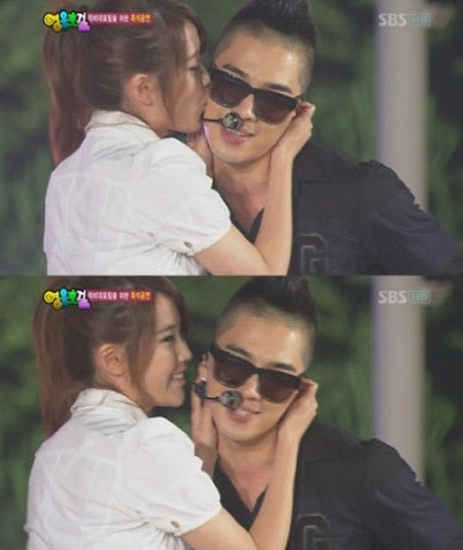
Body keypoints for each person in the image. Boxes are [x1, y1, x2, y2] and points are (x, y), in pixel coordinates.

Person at [25, 276, 318, 549]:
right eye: (168, 339)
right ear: (113, 360)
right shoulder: (145, 444)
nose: (185, 353)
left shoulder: (52, 452)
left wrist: (204, 452)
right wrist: (289, 438)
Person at [41, 0, 314, 276]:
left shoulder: (64, 177)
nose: (207, 80)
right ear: (144, 89)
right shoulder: (159, 167)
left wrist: (198, 172)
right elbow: (266, 273)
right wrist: (283, 156)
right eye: (193, 68)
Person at [193, 277, 463, 549]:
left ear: (301, 391)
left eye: (278, 380)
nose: (251, 391)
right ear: (205, 365)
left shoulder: (362, 470)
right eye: (234, 365)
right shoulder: (178, 471)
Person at [197, 0, 463, 275]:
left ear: (298, 111)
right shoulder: (171, 173)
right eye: (230, 84)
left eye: (273, 101)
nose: (245, 112)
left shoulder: (360, 192)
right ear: (204, 78)